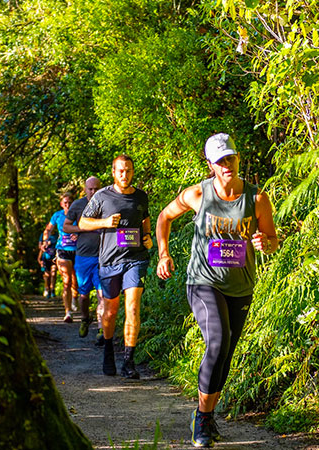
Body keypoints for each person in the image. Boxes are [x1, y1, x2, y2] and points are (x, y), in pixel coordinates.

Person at [156, 133, 278, 447]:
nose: (227, 165)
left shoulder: (256, 198)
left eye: (231, 159)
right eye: (220, 160)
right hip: (202, 282)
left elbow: (273, 239)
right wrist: (163, 253)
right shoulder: (198, 194)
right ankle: (202, 418)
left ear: (238, 160)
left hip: (240, 285)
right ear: (210, 165)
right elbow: (164, 217)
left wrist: (266, 243)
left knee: (225, 354)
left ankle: (208, 418)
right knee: (218, 341)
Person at [78, 155, 153, 379]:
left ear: (132, 171)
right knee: (110, 313)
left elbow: (145, 219)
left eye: (128, 170)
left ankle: (129, 361)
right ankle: (109, 349)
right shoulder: (102, 196)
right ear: (113, 172)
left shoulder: (141, 197)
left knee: (132, 308)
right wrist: (104, 222)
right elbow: (83, 222)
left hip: (135, 259)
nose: (125, 175)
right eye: (121, 171)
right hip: (110, 261)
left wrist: (147, 235)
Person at [63, 176, 106, 339]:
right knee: (84, 295)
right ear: (85, 189)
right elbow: (66, 227)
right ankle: (85, 319)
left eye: (96, 189)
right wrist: (80, 229)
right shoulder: (78, 205)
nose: (94, 192)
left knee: (102, 294)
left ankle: (102, 330)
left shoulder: (106, 203)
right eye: (90, 189)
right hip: (83, 256)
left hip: (102, 256)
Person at [46, 192, 79, 323]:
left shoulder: (78, 213)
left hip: (77, 250)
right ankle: (68, 312)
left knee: (76, 281)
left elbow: (86, 227)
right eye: (65, 202)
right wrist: (45, 240)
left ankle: (74, 298)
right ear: (61, 204)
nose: (67, 205)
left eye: (70, 202)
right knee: (67, 281)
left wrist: (78, 234)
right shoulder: (57, 215)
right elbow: (48, 229)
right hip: (62, 250)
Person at [37, 224, 57, 298]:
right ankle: (47, 289)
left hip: (54, 257)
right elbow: (40, 246)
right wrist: (45, 245)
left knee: (53, 273)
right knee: (47, 275)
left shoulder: (57, 235)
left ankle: (52, 290)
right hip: (45, 257)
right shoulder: (43, 235)